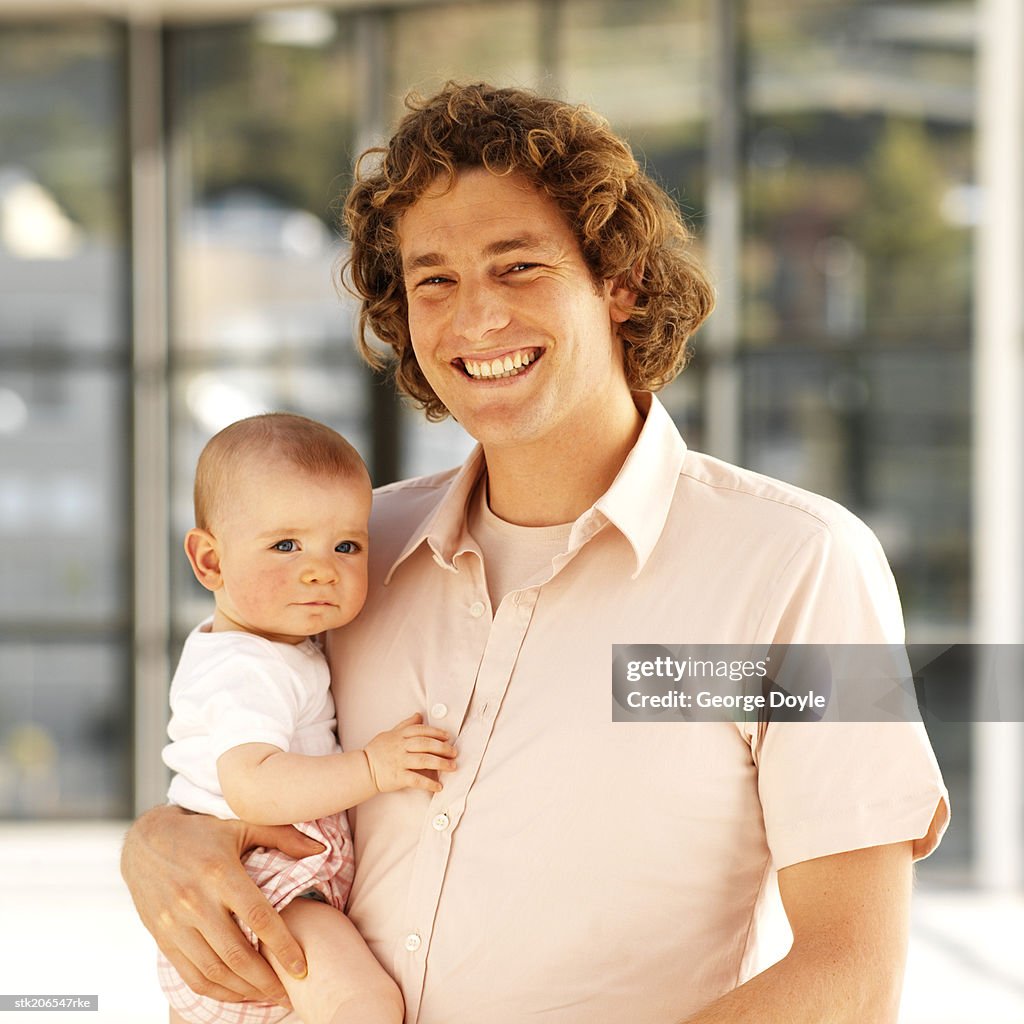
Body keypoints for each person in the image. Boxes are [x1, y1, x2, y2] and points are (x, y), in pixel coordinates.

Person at [123, 83, 949, 1024]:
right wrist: (156, 839)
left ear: (620, 281)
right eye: (434, 280)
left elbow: (851, 977)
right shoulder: (351, 560)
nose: (474, 320)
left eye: (516, 267)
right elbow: (229, 746)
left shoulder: (801, 566)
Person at [156, 412, 457, 1024]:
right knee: (364, 1006)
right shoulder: (246, 667)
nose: (322, 568)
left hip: (281, 891)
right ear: (210, 562)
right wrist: (374, 767)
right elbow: (253, 785)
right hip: (265, 890)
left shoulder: (279, 647)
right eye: (286, 545)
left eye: (346, 545)